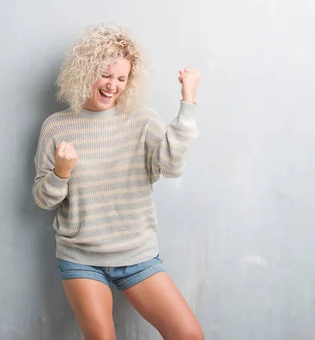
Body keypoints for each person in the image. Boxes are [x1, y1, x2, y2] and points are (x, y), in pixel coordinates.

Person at [32, 23, 203, 340]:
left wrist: (187, 102)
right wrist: (61, 172)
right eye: (106, 75)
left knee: (189, 336)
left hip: (137, 254)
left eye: (122, 78)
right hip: (81, 257)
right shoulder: (56, 126)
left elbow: (171, 165)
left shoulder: (141, 120)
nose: (113, 86)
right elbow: (43, 199)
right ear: (85, 72)